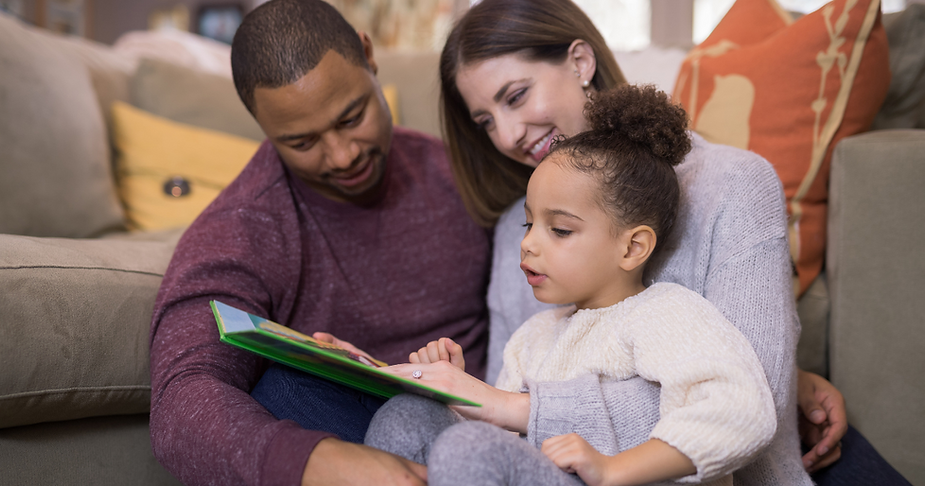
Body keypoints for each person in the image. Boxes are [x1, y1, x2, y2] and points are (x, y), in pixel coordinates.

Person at [432, 0, 910, 485]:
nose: (508, 135)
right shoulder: (519, 223)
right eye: (485, 121)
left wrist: (521, 409)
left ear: (580, 63)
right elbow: (502, 406)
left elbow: (745, 402)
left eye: (514, 96)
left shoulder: (732, 185)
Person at [147, 1, 491, 485]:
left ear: (369, 56)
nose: (343, 155)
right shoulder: (243, 227)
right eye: (303, 143)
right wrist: (319, 464)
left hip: (492, 422)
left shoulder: (462, 173)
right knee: (281, 389)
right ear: (262, 126)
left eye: (352, 118)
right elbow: (182, 400)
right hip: (354, 429)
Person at [365, 84, 779, 486]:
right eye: (529, 224)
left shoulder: (665, 314)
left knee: (471, 449)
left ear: (633, 247)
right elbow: (504, 447)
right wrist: (461, 397)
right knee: (406, 417)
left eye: (560, 229)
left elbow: (741, 411)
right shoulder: (533, 338)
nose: (527, 243)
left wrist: (614, 469)